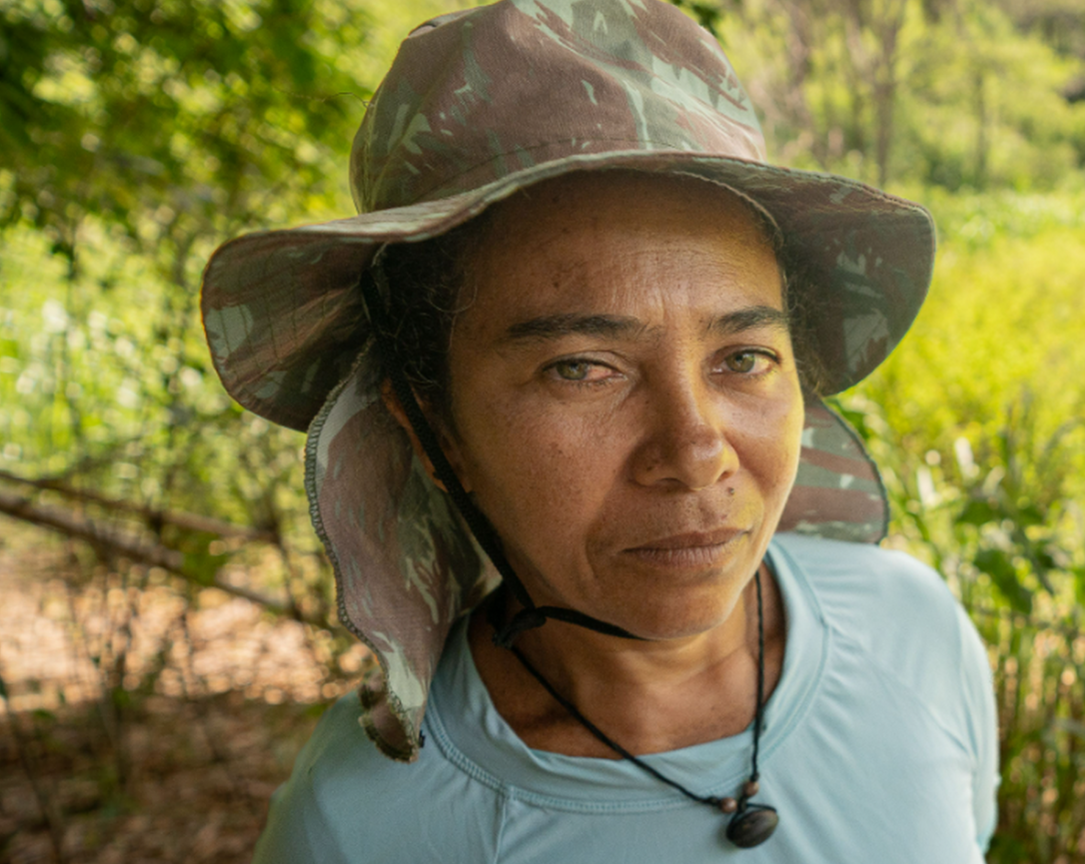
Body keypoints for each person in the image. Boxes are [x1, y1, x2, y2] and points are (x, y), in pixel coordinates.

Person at [200, 0, 998, 860]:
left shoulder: (913, 634)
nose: (695, 454)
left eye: (743, 357)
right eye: (582, 368)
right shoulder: (365, 826)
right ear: (433, 428)